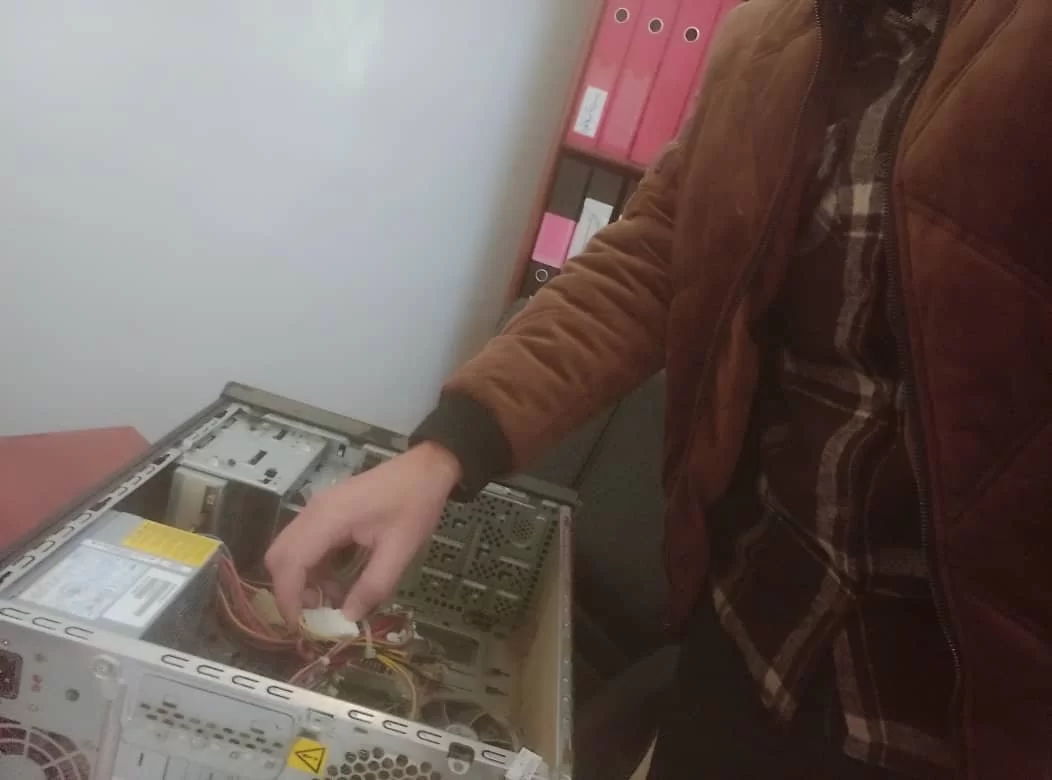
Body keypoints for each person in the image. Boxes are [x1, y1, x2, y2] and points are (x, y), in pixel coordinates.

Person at [265, 0, 1051, 776]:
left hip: (968, 724)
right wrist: (444, 452)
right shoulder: (766, 38)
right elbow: (654, 254)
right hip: (749, 649)